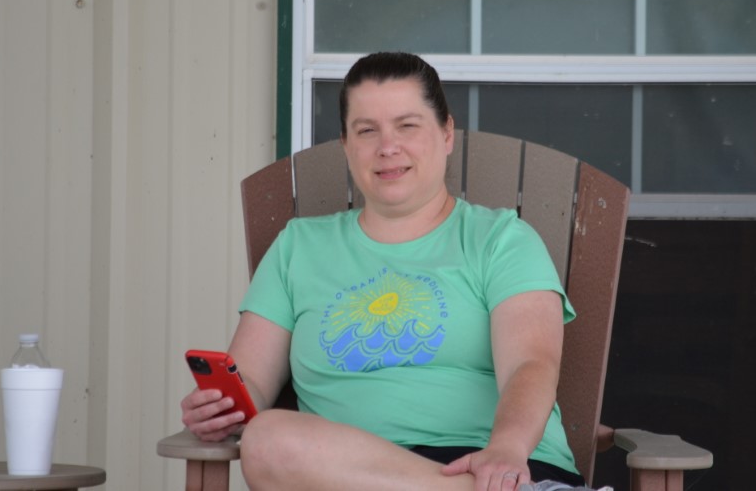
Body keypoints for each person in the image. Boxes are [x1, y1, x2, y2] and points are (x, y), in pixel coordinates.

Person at [181, 52, 601, 491]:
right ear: (346, 145)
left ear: (446, 133)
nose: (387, 147)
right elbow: (248, 379)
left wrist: (506, 448)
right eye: (367, 131)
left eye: (407, 126)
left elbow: (531, 365)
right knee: (267, 440)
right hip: (345, 475)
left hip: (497, 470)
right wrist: (219, 408)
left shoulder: (501, 240)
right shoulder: (298, 248)